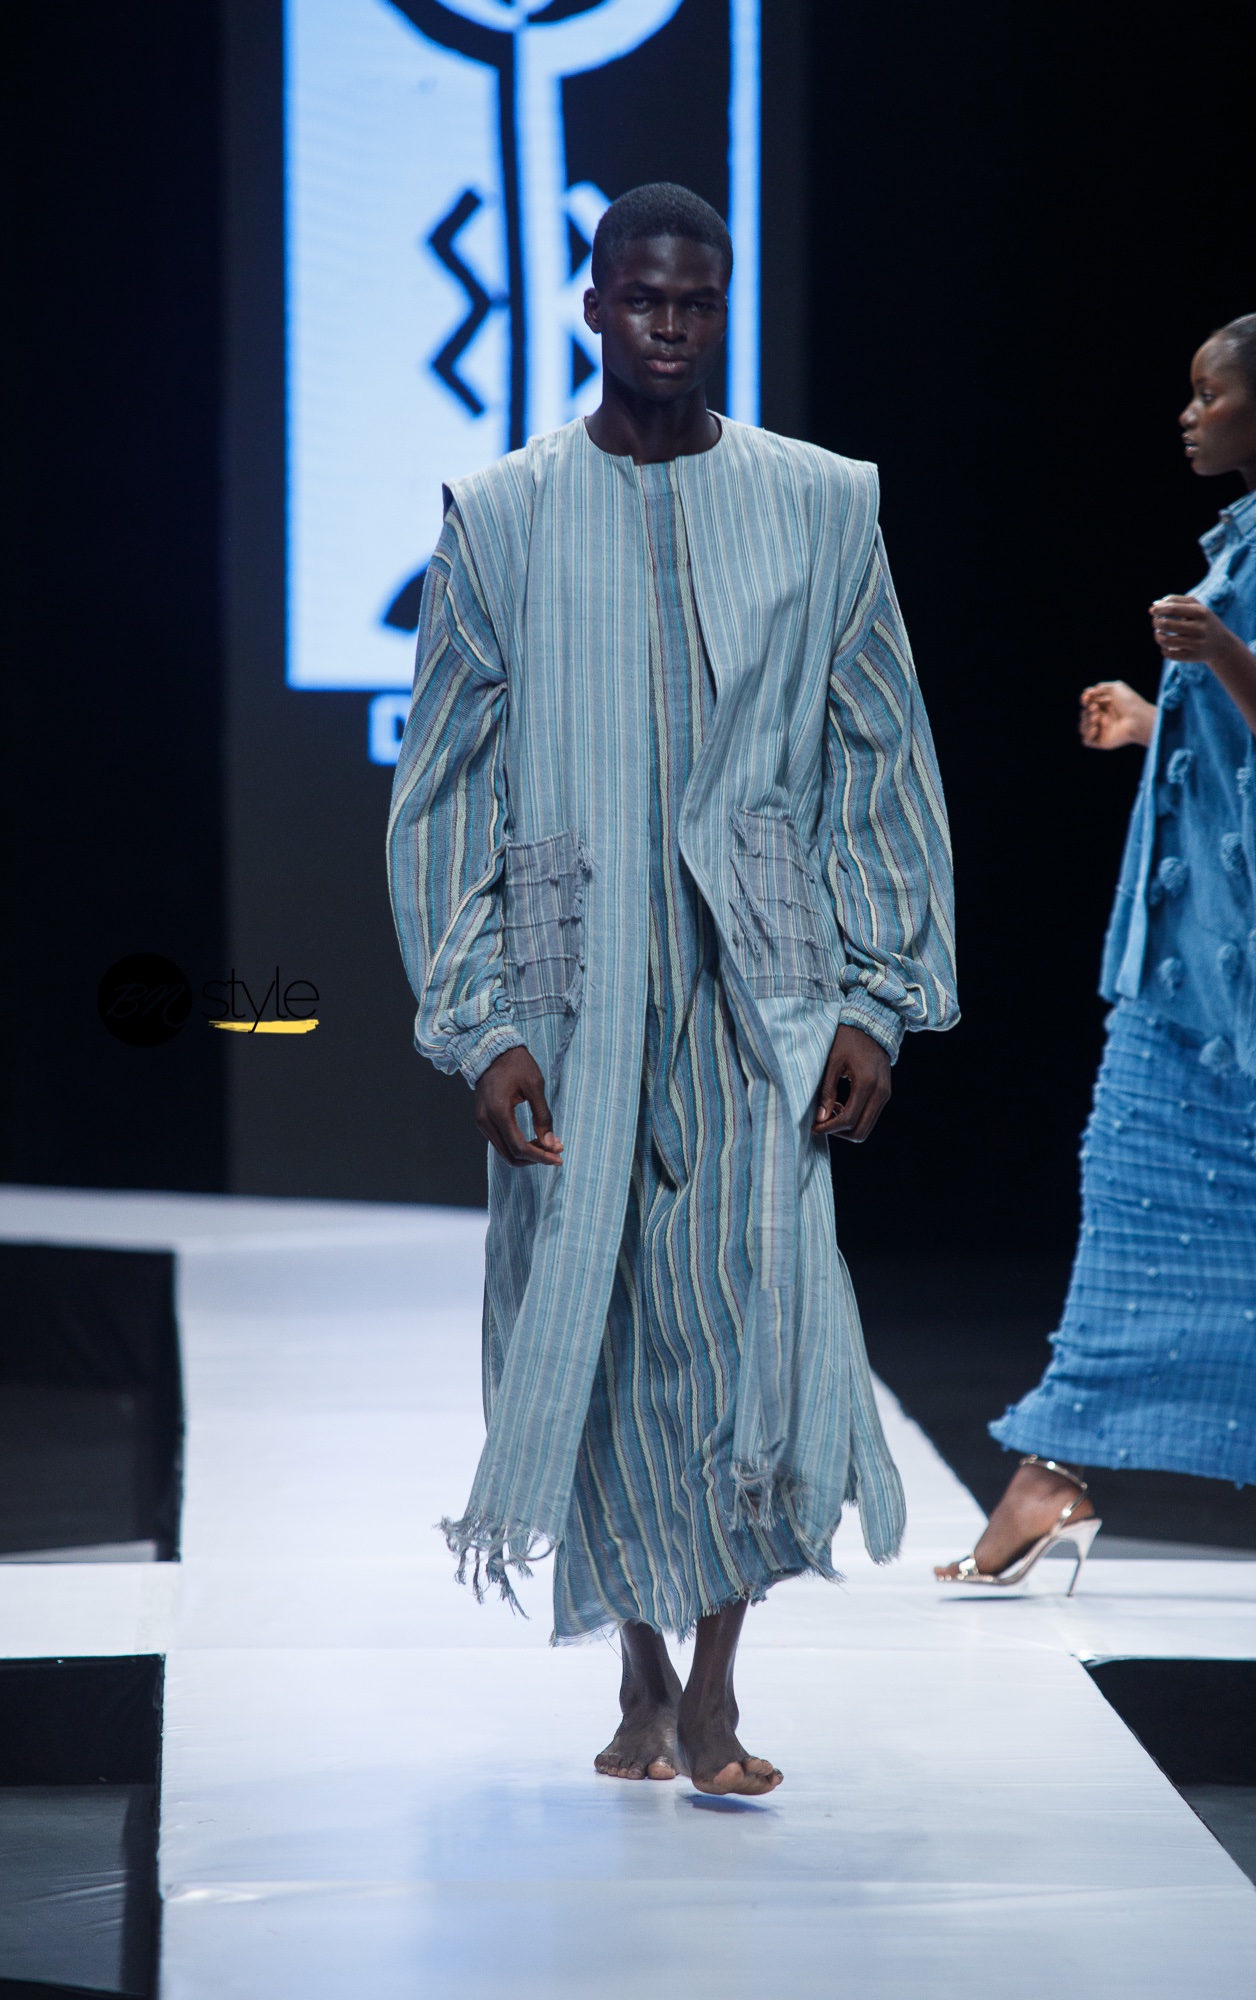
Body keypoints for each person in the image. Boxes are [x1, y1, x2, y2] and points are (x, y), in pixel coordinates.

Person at [388, 183, 957, 1789]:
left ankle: (712, 1690)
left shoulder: (819, 504)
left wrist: (875, 997)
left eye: (694, 300)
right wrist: (481, 1023)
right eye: (640, 297)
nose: (667, 324)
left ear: (722, 306)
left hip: (761, 978)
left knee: (751, 1318)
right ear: (590, 306)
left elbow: (879, 749)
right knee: (595, 1323)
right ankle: (638, 1674)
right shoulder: (501, 514)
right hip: (568, 981)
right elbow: (444, 786)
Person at [938, 310, 1256, 1589]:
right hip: (1194, 959)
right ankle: (1050, 1469)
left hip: (1243, 978)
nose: (1187, 412)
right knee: (1138, 1196)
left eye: (1208, 392)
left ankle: (1050, 1472)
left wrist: (1218, 653)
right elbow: (1237, 750)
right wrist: (1153, 719)